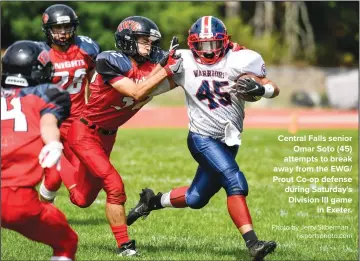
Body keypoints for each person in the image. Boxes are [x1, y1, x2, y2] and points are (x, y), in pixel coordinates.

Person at [126, 16, 280, 261]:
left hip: (229, 140)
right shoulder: (184, 60)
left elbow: (271, 85)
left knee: (196, 199)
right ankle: (253, 244)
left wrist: (263, 90)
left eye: (213, 44)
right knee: (234, 180)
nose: (207, 51)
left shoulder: (241, 58)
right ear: (192, 43)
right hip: (201, 138)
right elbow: (150, 87)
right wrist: (161, 68)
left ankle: (151, 202)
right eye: (201, 45)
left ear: (225, 41)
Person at [58, 16, 183, 256]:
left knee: (81, 199)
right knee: (115, 186)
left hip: (107, 137)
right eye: (144, 40)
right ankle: (125, 246)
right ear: (128, 41)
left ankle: (54, 159)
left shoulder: (150, 65)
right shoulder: (110, 60)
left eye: (151, 41)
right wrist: (166, 70)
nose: (150, 46)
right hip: (85, 132)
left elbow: (175, 77)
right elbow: (136, 91)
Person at [1, 40, 77, 260]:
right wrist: (53, 143)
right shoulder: (45, 94)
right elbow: (48, 123)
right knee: (66, 241)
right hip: (14, 197)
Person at [38, 4, 101, 203]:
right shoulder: (40, 55)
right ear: (48, 30)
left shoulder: (86, 49)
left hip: (78, 123)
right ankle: (43, 213)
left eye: (67, 28)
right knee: (54, 179)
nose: (63, 33)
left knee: (82, 196)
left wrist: (93, 111)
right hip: (50, 123)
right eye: (58, 28)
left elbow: (95, 82)